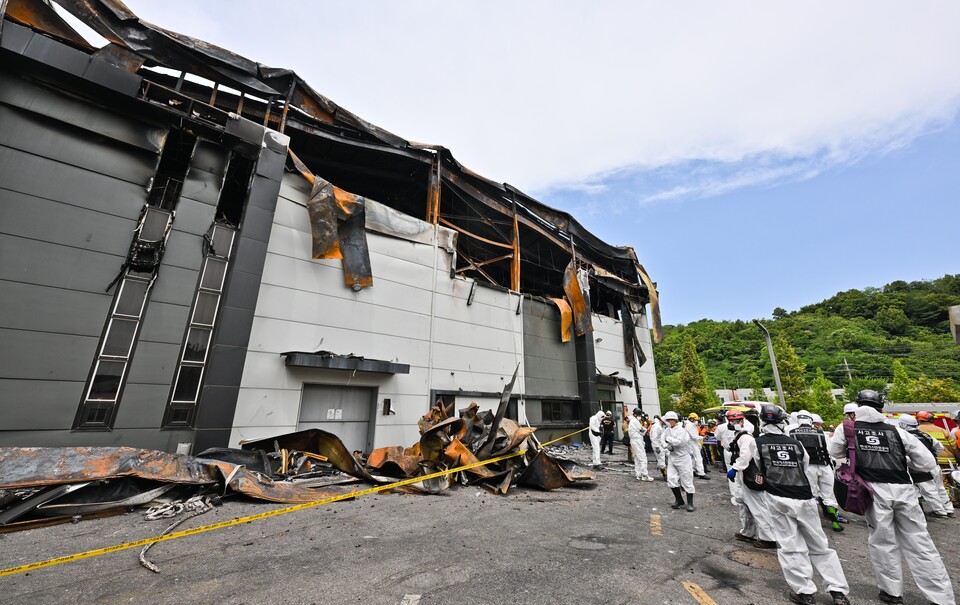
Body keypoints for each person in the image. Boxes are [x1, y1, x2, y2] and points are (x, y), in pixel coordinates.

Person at [827, 389, 955, 605]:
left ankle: (892, 593)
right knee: (921, 544)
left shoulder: (848, 428)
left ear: (857, 406)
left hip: (872, 491)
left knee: (882, 542)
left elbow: (835, 452)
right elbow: (927, 463)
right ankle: (942, 597)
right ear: (881, 408)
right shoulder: (896, 430)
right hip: (904, 489)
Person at [748, 404, 851, 605]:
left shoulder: (757, 443)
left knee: (790, 546)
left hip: (777, 496)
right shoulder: (795, 443)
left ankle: (805, 592)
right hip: (804, 496)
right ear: (782, 421)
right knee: (820, 546)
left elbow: (759, 466)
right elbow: (804, 465)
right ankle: (838, 592)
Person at [726, 410, 777, 549]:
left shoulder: (746, 437)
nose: (731, 424)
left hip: (749, 473)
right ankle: (748, 532)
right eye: (730, 421)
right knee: (743, 503)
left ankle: (769, 538)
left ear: (742, 421)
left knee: (758, 506)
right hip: (744, 474)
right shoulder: (741, 435)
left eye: (734, 421)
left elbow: (745, 457)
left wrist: (735, 468)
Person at [789, 412, 845, 532]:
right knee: (829, 494)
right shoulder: (821, 433)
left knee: (812, 495)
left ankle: (813, 522)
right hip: (824, 466)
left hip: (807, 467)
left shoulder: (791, 433)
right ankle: (835, 522)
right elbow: (830, 451)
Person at [899, 414, 955, 519]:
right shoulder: (926, 435)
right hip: (934, 465)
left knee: (929, 489)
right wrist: (932, 458)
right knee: (940, 487)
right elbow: (939, 447)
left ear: (903, 425)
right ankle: (948, 509)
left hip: (919, 467)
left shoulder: (906, 436)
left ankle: (939, 511)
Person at [662, 411, 697, 511]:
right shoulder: (667, 430)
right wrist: (667, 446)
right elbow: (662, 440)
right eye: (667, 420)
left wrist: (668, 439)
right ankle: (679, 500)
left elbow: (678, 442)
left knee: (687, 480)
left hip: (683, 458)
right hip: (672, 457)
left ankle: (690, 503)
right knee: (671, 479)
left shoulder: (682, 431)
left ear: (675, 420)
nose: (668, 422)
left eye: (669, 420)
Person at [629, 407, 654, 482]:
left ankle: (638, 474)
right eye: (639, 414)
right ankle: (644, 475)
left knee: (637, 458)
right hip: (637, 441)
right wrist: (647, 431)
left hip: (634, 441)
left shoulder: (633, 420)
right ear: (636, 414)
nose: (640, 416)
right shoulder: (634, 421)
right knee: (643, 458)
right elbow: (641, 430)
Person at [686, 413, 711, 479]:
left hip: (694, 443)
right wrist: (703, 437)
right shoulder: (689, 426)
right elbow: (694, 436)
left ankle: (693, 471)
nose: (696, 421)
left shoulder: (691, 425)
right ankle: (701, 474)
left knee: (694, 459)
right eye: (695, 419)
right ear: (691, 419)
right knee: (698, 458)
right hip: (692, 443)